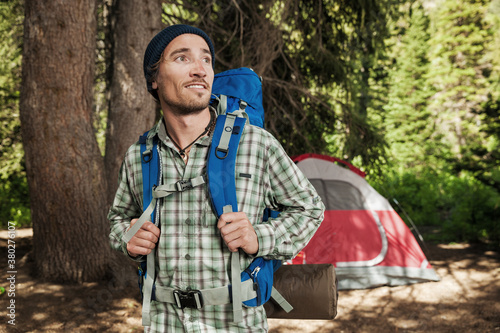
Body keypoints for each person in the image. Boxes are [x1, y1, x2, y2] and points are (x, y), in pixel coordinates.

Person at [108, 24, 325, 333]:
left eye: (206, 60)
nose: (200, 69)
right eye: (182, 58)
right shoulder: (139, 156)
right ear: (154, 80)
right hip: (162, 323)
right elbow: (118, 219)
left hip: (236, 324)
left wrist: (258, 237)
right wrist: (128, 238)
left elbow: (310, 208)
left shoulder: (255, 143)